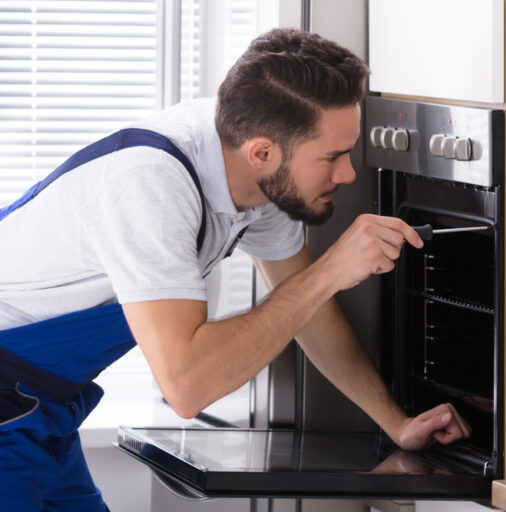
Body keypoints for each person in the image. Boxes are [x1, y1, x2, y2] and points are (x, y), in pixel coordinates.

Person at [0, 28, 471, 511]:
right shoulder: (150, 188)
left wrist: (395, 423)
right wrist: (331, 269)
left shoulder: (249, 164)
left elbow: (309, 310)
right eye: (332, 156)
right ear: (262, 153)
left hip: (41, 405)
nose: (348, 174)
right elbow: (188, 387)